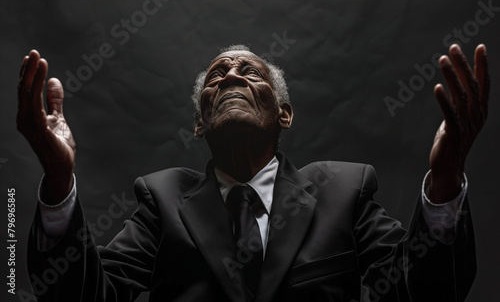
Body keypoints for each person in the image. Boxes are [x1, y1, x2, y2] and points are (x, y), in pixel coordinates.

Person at [17, 43, 489, 302]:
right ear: (200, 123)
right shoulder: (160, 199)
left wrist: (446, 181)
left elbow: (422, 296)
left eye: (251, 72)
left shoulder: (345, 189)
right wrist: (58, 185)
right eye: (218, 74)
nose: (232, 77)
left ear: (283, 115)